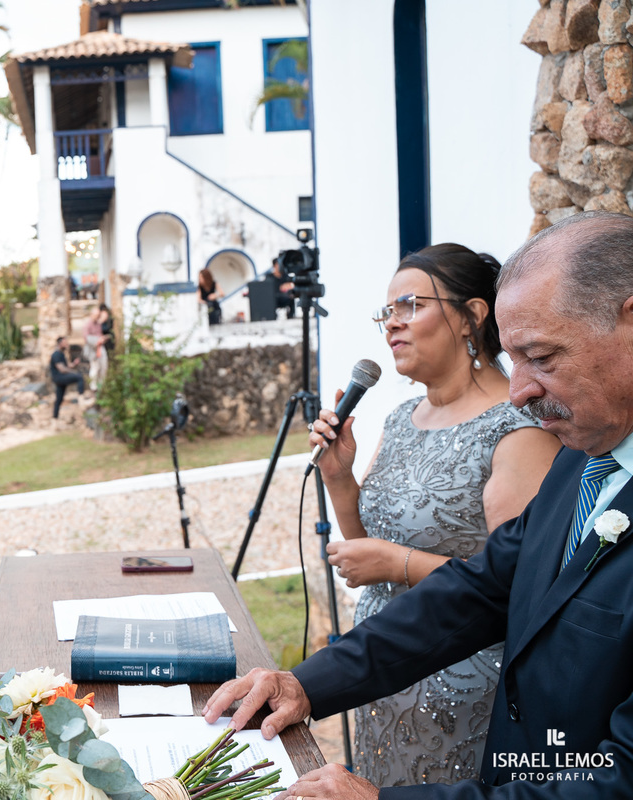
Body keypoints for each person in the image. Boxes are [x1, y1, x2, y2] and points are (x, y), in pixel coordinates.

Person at [203, 211, 633, 799]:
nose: (520, 391)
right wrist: (304, 685)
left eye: (543, 356)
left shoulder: (544, 441)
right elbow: (480, 590)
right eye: (516, 358)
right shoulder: (582, 461)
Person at [310, 244, 559, 785]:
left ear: (473, 314)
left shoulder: (515, 431)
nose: (392, 325)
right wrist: (338, 476)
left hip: (460, 682)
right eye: (387, 314)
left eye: (409, 306)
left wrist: (395, 562)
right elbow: (363, 549)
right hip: (379, 669)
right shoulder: (403, 418)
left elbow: (521, 590)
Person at [50, 336, 86, 419]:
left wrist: (74, 364)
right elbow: (62, 369)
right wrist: (73, 372)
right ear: (60, 343)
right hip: (59, 377)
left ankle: (54, 419)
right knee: (79, 377)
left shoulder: (61, 354)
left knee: (59, 399)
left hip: (61, 378)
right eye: (65, 342)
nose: (67, 344)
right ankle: (81, 400)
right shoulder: (56, 354)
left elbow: (67, 366)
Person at [84, 305, 108, 388]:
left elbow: (100, 333)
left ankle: (101, 384)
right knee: (94, 368)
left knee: (103, 367)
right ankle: (93, 386)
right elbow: (86, 337)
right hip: (93, 348)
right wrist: (96, 341)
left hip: (100, 347)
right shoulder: (88, 324)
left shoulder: (98, 324)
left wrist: (103, 338)